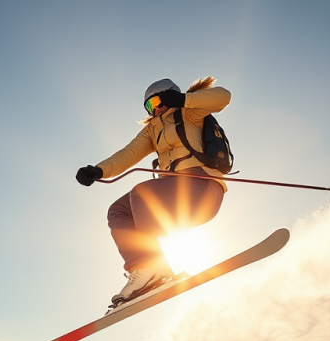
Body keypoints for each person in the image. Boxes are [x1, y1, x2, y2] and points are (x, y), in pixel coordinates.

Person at [76, 76, 232, 308]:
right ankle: (145, 268)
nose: (156, 108)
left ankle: (156, 268)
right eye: (149, 106)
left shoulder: (190, 112)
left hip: (202, 188)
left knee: (142, 193)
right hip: (175, 197)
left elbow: (223, 97)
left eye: (158, 101)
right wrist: (98, 170)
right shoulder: (152, 131)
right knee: (118, 210)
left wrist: (184, 99)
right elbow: (128, 154)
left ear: (170, 95)